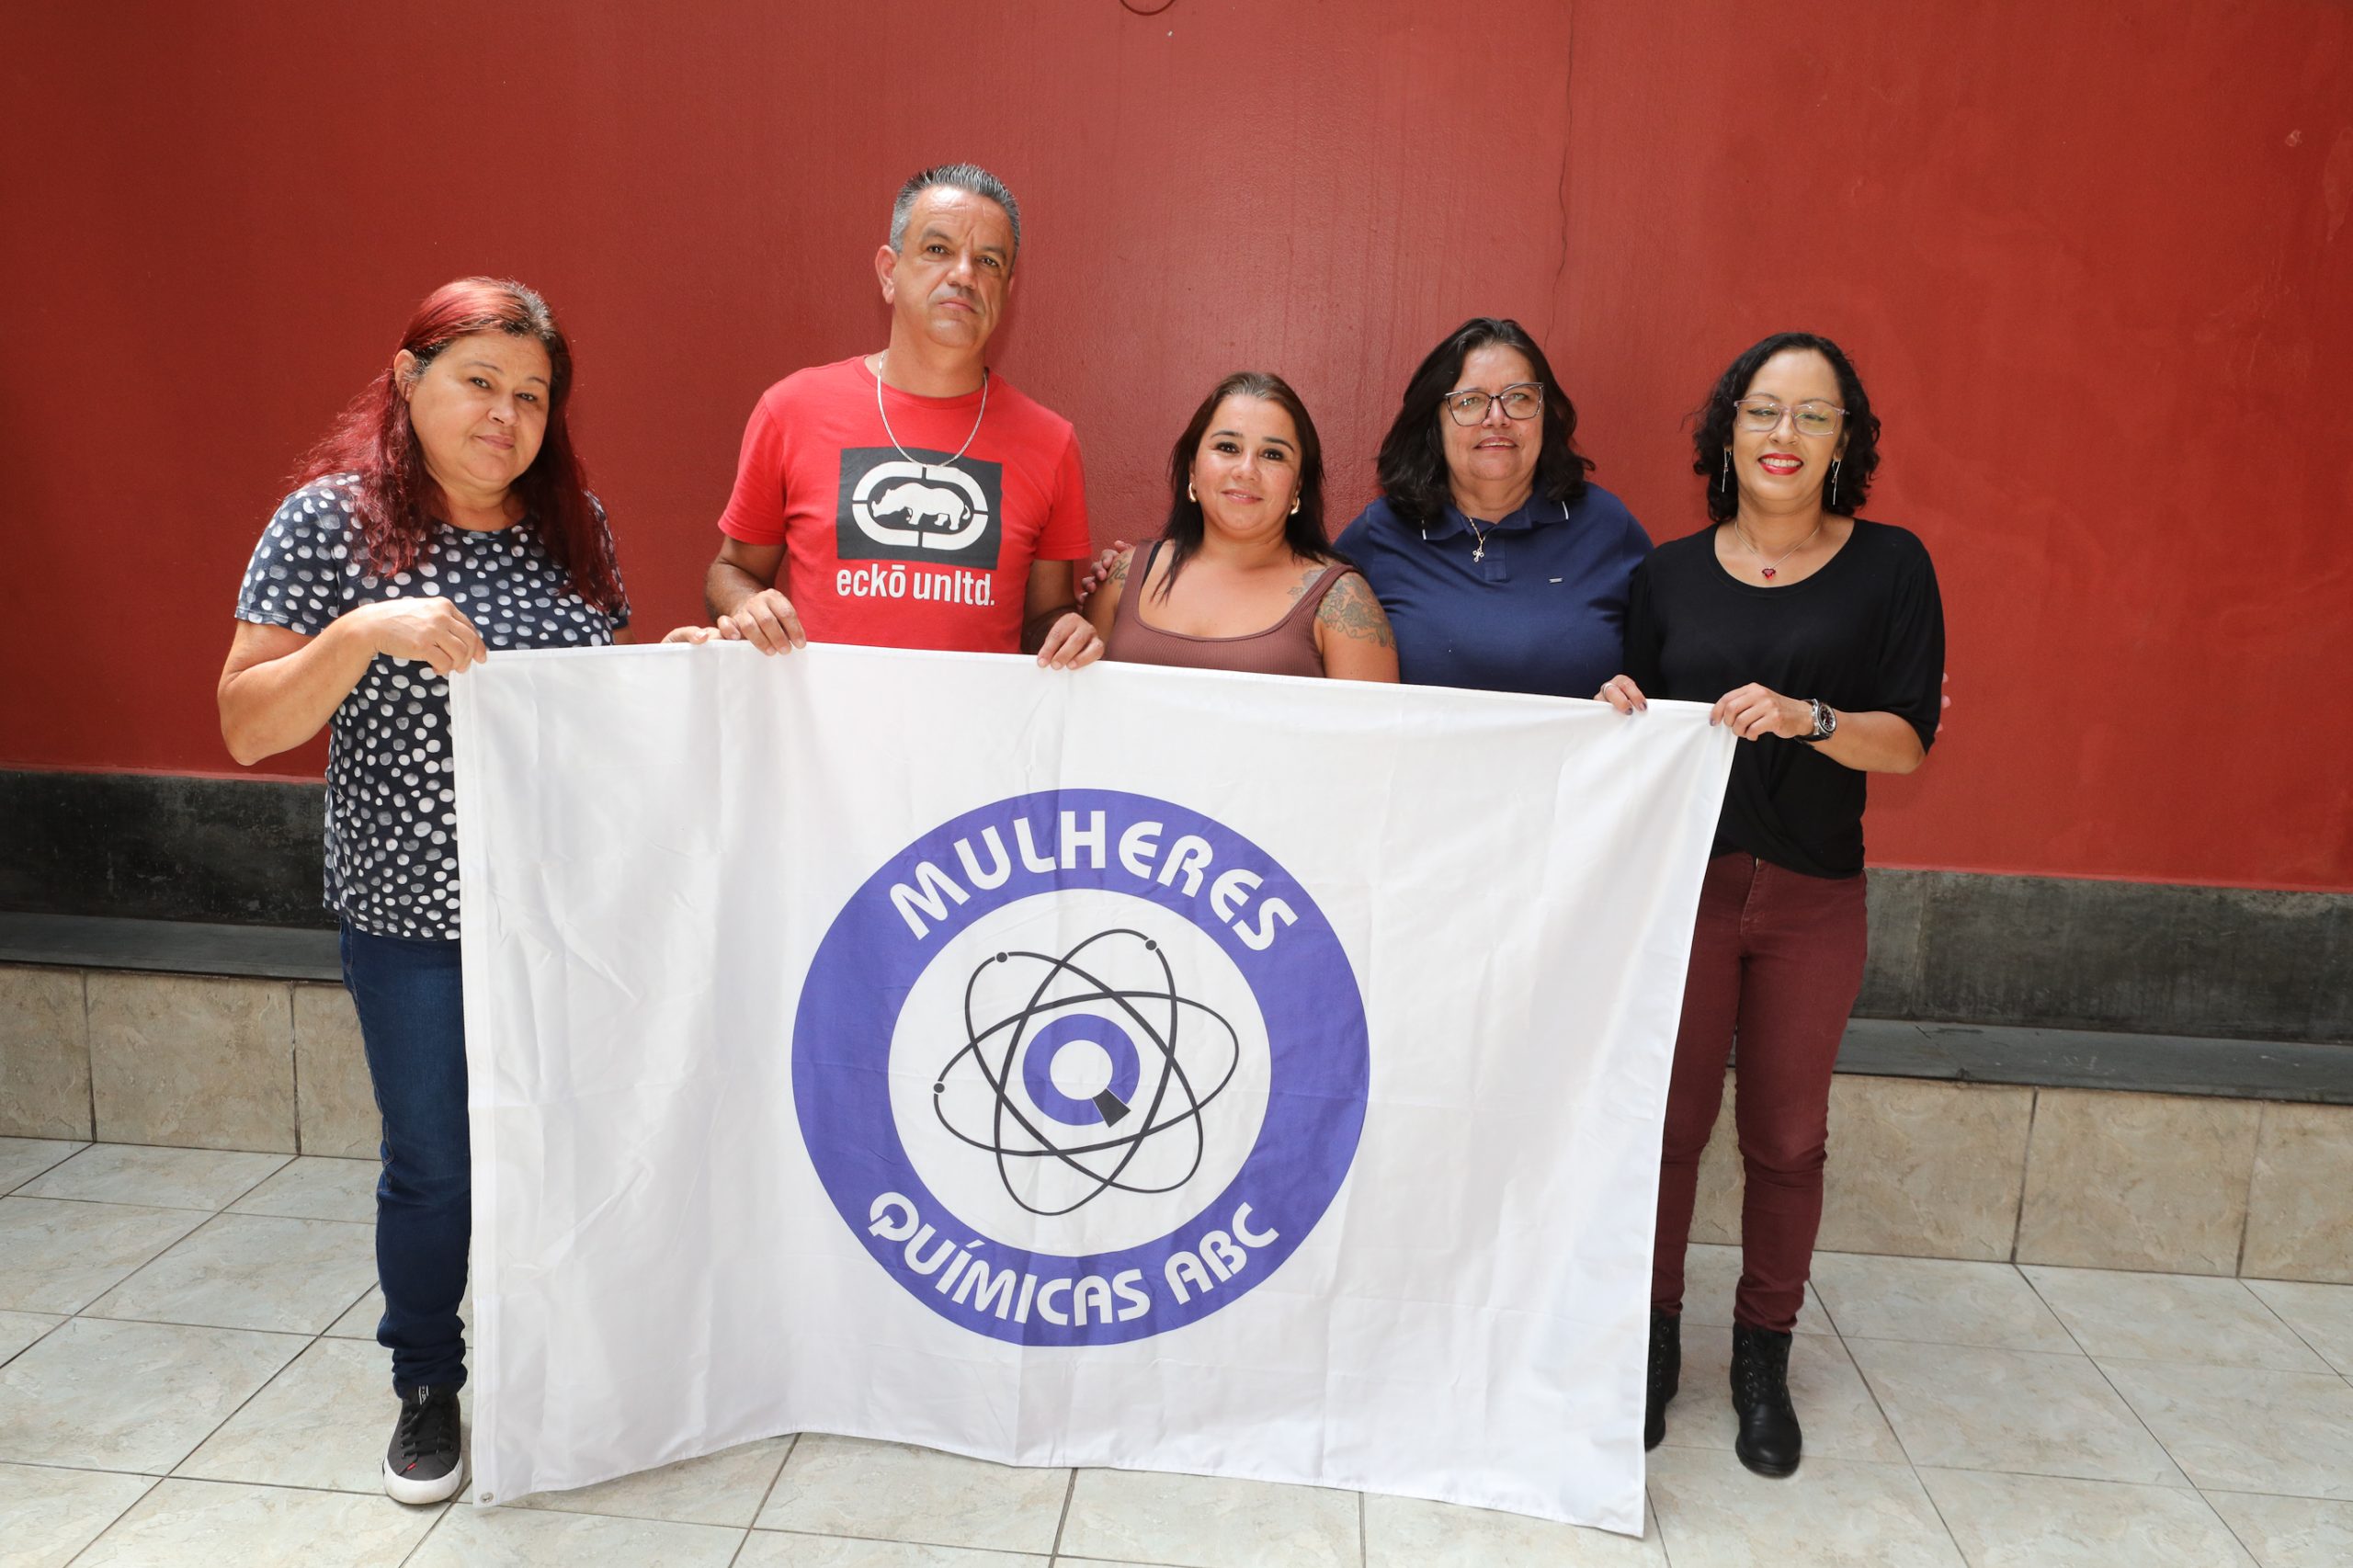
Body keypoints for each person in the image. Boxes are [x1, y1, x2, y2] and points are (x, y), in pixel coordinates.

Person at [217, 278, 636, 1506]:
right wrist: (356, 636)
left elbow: (606, 710)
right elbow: (245, 724)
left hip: (561, 910)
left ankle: (563, 1359)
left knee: (565, 1145)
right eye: (479, 383)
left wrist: (696, 670)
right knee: (437, 1163)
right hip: (412, 920)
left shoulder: (577, 526)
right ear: (408, 381)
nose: (506, 415)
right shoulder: (328, 526)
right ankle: (427, 1380)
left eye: (532, 395)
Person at [1598, 331, 1945, 1477]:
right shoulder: (1667, 574)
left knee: (1788, 1138)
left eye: (1811, 415)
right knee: (1668, 1128)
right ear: (1725, 430)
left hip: (1810, 898)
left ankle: (1760, 1354)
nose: (1782, 436)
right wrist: (1617, 701)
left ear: (1845, 440)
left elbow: (1907, 745)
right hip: (1684, 893)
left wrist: (1810, 717)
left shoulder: (1892, 567)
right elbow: (1634, 719)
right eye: (1762, 411)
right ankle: (1650, 1345)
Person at [694, 163, 1101, 668]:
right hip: (820, 737)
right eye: (938, 250)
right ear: (890, 272)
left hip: (973, 740)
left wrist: (1069, 631)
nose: (964, 275)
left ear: (1007, 288)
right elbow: (731, 569)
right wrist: (744, 604)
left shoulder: (1051, 443)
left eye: (989, 261)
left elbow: (1044, 617)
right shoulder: (791, 409)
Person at [1331, 316, 1650, 699]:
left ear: (1545, 415)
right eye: (1469, 401)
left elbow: (1666, 670)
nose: (1496, 418)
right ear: (1435, 423)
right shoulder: (1379, 534)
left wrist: (1627, 699)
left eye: (1519, 397)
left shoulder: (1606, 526)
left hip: (1571, 760)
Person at [1086, 372, 1397, 681]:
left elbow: (1375, 731)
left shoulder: (1343, 602)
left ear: (1298, 486)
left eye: (1273, 454)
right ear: (1192, 468)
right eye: (1228, 447)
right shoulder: (1123, 577)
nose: (1247, 470)